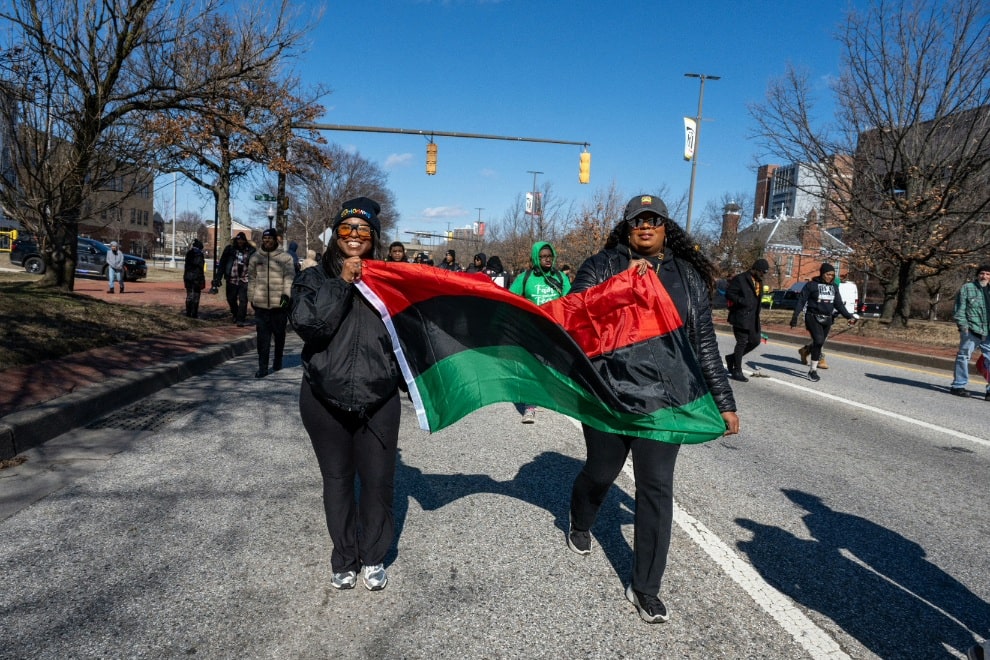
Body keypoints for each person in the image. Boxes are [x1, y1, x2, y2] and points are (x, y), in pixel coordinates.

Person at [566, 194, 739, 624]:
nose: (646, 226)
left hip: (665, 401)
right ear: (627, 228)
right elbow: (575, 317)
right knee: (601, 473)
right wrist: (622, 283)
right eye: (637, 221)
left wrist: (724, 402)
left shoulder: (687, 277)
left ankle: (645, 587)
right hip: (608, 394)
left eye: (654, 220)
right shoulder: (601, 265)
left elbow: (703, 344)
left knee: (656, 487)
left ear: (666, 228)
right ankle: (580, 519)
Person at [290, 196, 402, 592]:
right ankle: (344, 558)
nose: (354, 235)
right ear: (336, 233)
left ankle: (372, 556)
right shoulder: (313, 278)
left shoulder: (389, 281)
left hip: (379, 399)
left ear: (375, 237)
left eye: (363, 229)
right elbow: (310, 325)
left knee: (377, 482)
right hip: (324, 399)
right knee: (338, 480)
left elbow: (412, 334)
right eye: (346, 228)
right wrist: (342, 282)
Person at [509, 241, 571, 423]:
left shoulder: (560, 277)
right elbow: (510, 299)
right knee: (532, 367)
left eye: (549, 256)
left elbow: (570, 301)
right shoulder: (525, 278)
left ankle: (554, 398)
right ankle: (530, 406)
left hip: (555, 332)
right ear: (536, 258)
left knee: (554, 366)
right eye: (543, 256)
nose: (547, 259)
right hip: (532, 331)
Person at [789, 263, 859, 382]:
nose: (830, 277)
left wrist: (848, 316)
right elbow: (801, 300)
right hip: (812, 316)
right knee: (819, 340)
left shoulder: (834, 287)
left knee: (820, 343)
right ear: (822, 274)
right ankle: (813, 371)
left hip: (827, 318)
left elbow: (838, 304)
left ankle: (806, 355)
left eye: (832, 275)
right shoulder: (811, 285)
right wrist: (795, 316)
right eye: (828, 274)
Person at [248, 228, 296, 378]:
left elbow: (289, 278)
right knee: (262, 338)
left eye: (269, 238)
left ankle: (278, 360)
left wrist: (286, 295)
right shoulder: (255, 257)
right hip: (261, 305)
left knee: (279, 335)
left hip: (279, 305)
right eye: (265, 238)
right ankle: (262, 367)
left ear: (276, 240)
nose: (267, 241)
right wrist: (251, 297)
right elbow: (252, 278)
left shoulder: (285, 258)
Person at [725, 258, 770, 382]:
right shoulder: (740, 279)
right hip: (741, 316)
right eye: (761, 272)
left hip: (753, 318)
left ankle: (732, 358)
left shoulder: (759, 282)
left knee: (755, 341)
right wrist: (741, 301)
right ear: (755, 269)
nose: (762, 275)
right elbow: (729, 293)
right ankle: (737, 371)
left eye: (764, 273)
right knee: (742, 342)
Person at [949, 264, 990, 399]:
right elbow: (959, 309)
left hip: (988, 332)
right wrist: (963, 326)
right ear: (977, 275)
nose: (984, 276)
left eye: (988, 274)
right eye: (982, 273)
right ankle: (958, 386)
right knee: (963, 357)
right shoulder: (967, 288)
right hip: (972, 329)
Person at [213, 232, 255, 326]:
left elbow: (256, 265)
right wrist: (218, 278)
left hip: (245, 279)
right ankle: (235, 314)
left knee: (243, 300)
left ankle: (240, 319)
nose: (240, 242)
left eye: (242, 240)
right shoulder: (230, 249)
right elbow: (222, 264)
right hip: (232, 278)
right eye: (238, 240)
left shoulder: (251, 251)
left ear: (245, 241)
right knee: (231, 298)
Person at [182, 239, 206, 318]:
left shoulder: (189, 253)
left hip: (188, 277)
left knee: (189, 295)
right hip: (197, 278)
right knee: (196, 295)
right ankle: (194, 313)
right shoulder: (200, 255)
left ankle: (188, 313)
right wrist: (202, 279)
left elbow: (186, 267)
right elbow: (200, 269)